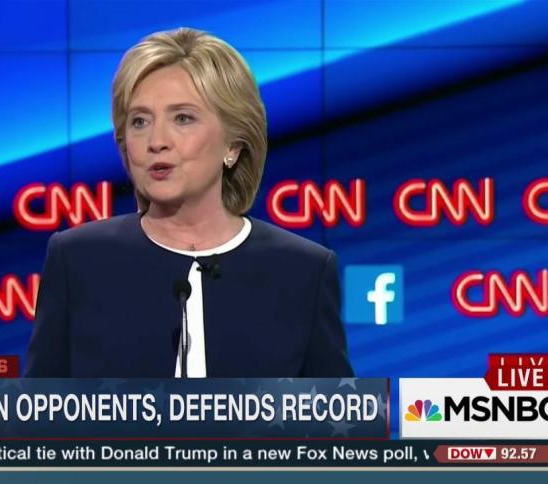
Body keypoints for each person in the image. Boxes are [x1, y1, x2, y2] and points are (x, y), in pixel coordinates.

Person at [24, 28, 353, 378]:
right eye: (139, 121)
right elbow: (37, 408)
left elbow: (338, 410)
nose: (156, 141)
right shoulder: (77, 260)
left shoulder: (304, 271)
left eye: (182, 118)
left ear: (233, 145)